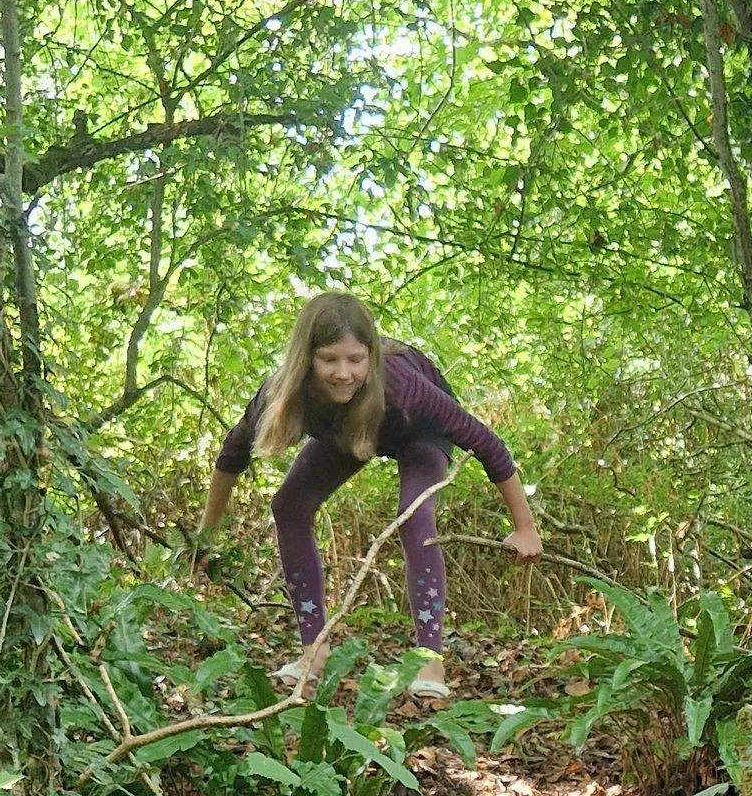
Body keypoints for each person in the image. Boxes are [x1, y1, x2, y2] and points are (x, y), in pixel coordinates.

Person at [196, 291, 542, 698]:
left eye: (355, 359)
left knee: (414, 514)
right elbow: (231, 457)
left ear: (370, 357)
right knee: (288, 505)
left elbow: (487, 444)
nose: (343, 373)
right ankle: (313, 651)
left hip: (418, 432)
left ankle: (430, 662)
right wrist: (207, 535)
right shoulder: (282, 394)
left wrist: (525, 526)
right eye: (329, 359)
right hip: (352, 431)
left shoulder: (403, 384)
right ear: (305, 359)